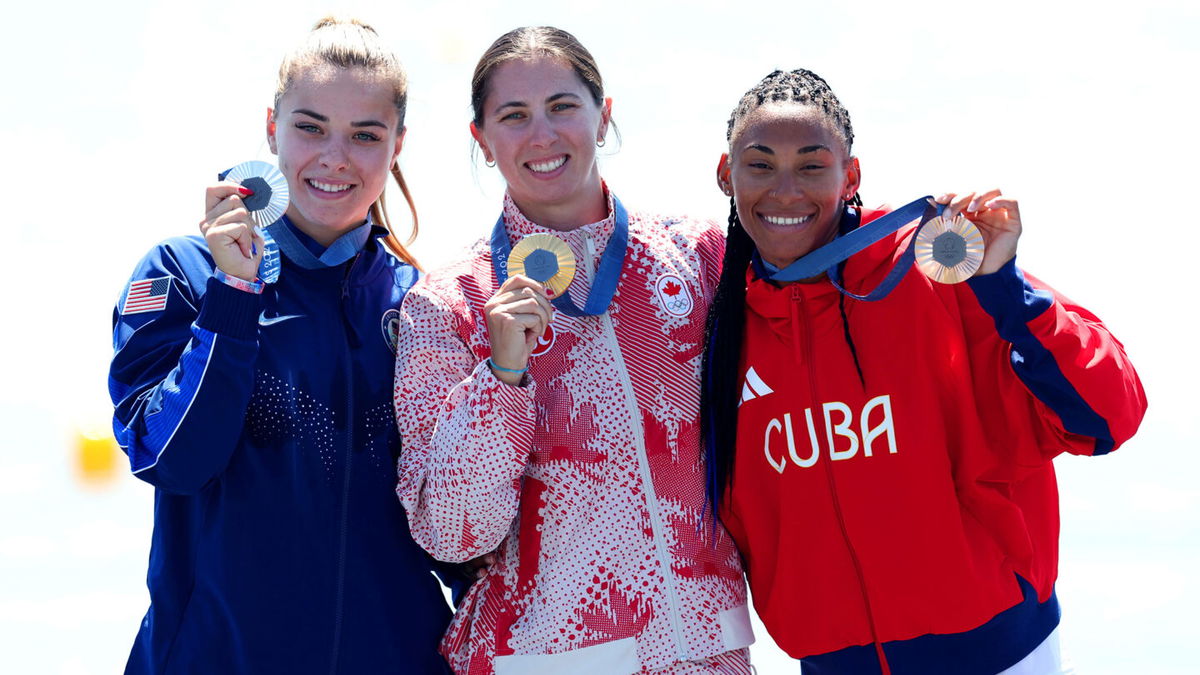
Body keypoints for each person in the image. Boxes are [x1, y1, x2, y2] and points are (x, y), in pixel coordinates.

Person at [701, 68, 1148, 675]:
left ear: (850, 175)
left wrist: (1005, 290)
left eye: (811, 165)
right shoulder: (717, 323)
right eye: (760, 165)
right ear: (726, 174)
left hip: (1000, 654)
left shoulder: (938, 268)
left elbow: (1108, 415)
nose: (786, 191)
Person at [394, 26, 753, 675]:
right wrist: (500, 378)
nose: (542, 133)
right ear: (482, 140)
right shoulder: (448, 303)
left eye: (562, 106)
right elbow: (453, 531)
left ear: (603, 114)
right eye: (514, 115)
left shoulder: (699, 259)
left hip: (708, 655)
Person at [109, 18, 453, 674]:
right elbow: (174, 460)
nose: (335, 156)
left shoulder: (428, 305)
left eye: (365, 135)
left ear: (398, 143)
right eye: (311, 126)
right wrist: (234, 294)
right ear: (272, 127)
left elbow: (460, 533)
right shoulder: (179, 273)